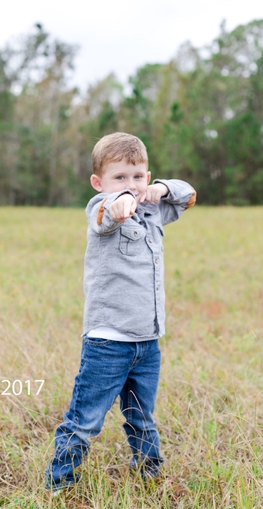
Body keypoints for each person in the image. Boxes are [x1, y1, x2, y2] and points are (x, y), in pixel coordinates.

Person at [45, 132, 196, 491]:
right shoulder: (100, 208)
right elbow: (104, 215)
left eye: (137, 176)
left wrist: (160, 188)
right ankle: (60, 483)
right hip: (107, 342)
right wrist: (120, 201)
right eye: (120, 177)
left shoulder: (153, 208)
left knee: (141, 417)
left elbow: (189, 195)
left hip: (147, 342)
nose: (131, 184)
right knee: (85, 420)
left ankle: (149, 472)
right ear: (99, 182)